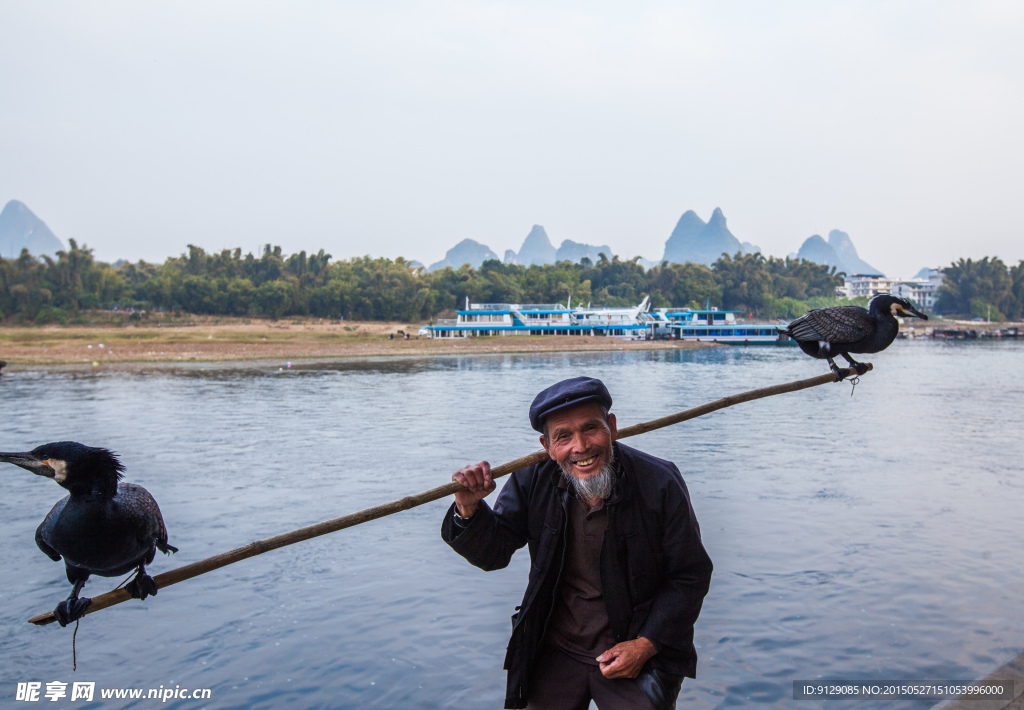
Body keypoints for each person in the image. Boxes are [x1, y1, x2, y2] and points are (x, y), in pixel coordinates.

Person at [441, 376, 713, 710]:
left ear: (612, 427)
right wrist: (468, 507)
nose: (581, 446)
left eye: (591, 428)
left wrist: (645, 645)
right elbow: (494, 553)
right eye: (563, 436)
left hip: (635, 648)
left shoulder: (659, 482)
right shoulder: (531, 479)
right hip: (554, 648)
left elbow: (690, 576)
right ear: (547, 446)